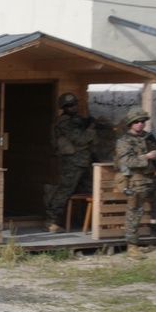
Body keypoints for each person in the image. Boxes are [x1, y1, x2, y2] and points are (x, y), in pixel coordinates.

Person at [115, 107, 156, 258]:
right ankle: (132, 246)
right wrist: (148, 156)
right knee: (135, 212)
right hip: (136, 180)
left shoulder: (149, 137)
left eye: (143, 121)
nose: (140, 124)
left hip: (153, 180)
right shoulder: (124, 141)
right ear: (131, 124)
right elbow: (129, 162)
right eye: (137, 121)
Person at [46, 92, 96, 233]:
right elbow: (79, 139)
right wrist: (90, 130)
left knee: (92, 191)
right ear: (64, 108)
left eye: (75, 104)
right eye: (69, 105)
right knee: (64, 191)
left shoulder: (79, 119)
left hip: (86, 160)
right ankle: (51, 220)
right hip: (73, 162)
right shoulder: (64, 122)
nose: (73, 107)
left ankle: (89, 221)